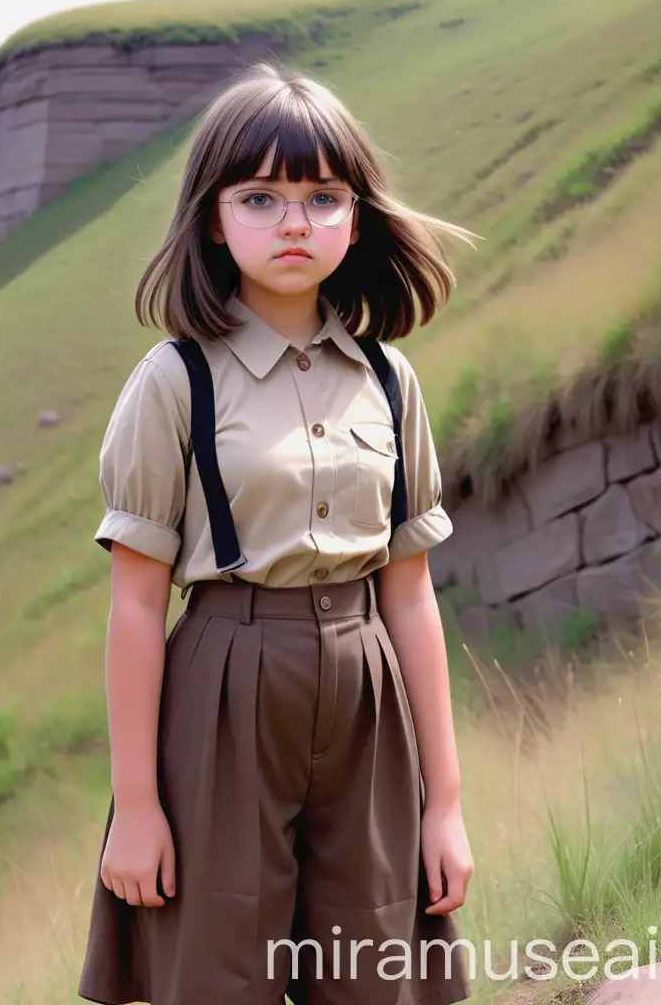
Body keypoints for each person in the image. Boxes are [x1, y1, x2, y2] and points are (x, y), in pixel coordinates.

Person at [78, 62, 477, 1005]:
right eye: (260, 197)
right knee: (219, 973)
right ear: (213, 219)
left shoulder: (390, 379)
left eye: (322, 197)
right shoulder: (177, 380)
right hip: (223, 685)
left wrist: (447, 805)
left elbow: (410, 591)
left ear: (357, 214)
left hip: (368, 694)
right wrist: (136, 809)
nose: (294, 222)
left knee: (374, 971)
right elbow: (136, 603)